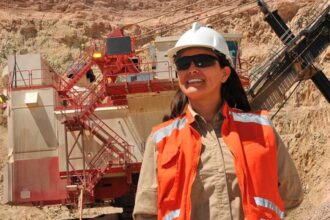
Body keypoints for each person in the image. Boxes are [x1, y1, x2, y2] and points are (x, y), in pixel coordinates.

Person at [133, 22, 303, 220]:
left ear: (225, 73)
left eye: (203, 61)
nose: (192, 69)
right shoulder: (161, 139)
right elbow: (146, 213)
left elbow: (291, 196)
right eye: (183, 64)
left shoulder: (261, 129)